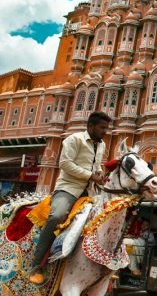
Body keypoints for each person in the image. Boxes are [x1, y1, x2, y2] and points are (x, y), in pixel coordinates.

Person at [29, 111, 111, 285]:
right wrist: (90, 176)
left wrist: (100, 176)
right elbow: (65, 164)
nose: (105, 131)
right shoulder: (74, 140)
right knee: (57, 216)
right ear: (91, 126)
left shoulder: (102, 145)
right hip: (68, 189)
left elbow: (96, 168)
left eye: (107, 128)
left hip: (89, 192)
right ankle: (36, 265)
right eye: (102, 127)